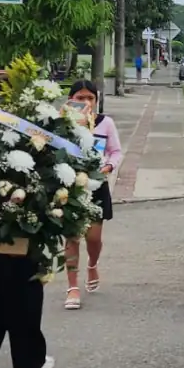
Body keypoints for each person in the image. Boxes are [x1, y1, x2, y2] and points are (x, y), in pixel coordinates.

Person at [63, 80, 123, 310]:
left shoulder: (105, 123)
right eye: (80, 98)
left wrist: (108, 167)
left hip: (96, 185)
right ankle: (72, 287)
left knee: (93, 238)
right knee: (72, 237)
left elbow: (115, 152)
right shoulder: (62, 123)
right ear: (70, 100)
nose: (86, 102)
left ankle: (92, 264)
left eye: (90, 98)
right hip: (69, 186)